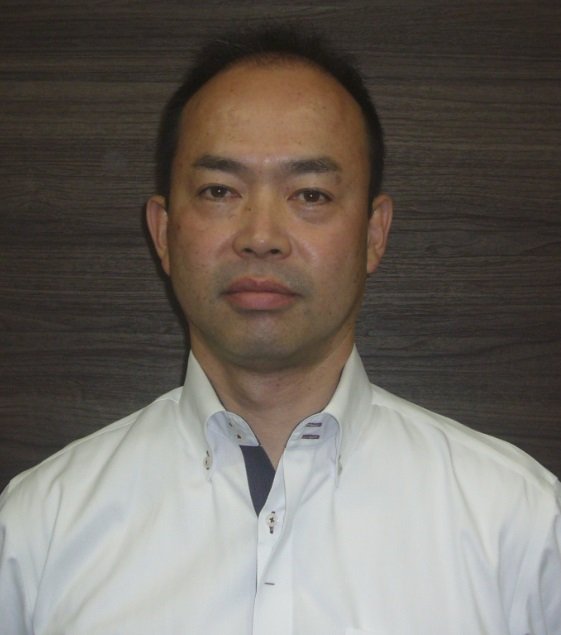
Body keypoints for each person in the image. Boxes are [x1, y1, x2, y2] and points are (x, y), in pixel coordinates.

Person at [0, 25, 559, 635]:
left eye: (310, 194)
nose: (261, 236)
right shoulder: (37, 532)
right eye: (219, 190)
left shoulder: (520, 526)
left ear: (374, 233)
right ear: (163, 232)